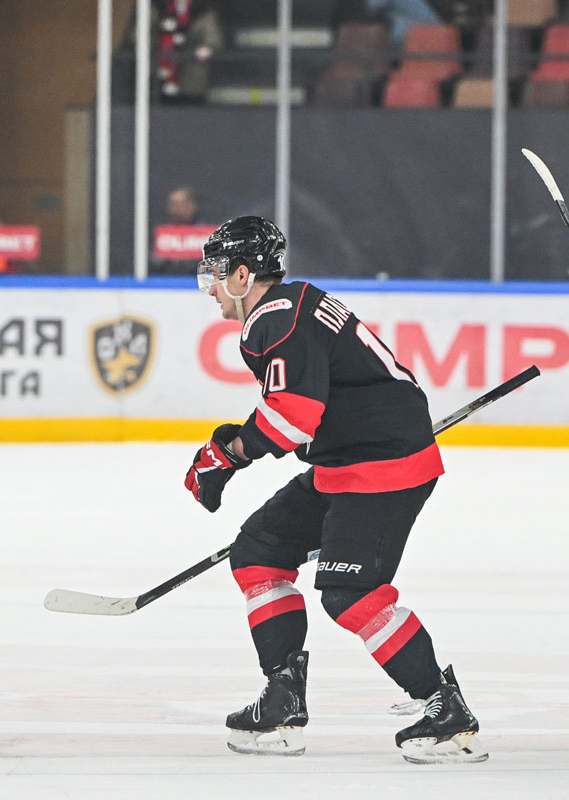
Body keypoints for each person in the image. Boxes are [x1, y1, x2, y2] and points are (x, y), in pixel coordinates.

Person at [185, 215, 486, 763]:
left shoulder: (274, 319)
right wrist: (235, 447)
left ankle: (445, 711)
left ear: (243, 275)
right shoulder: (291, 305)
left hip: (382, 468)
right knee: (259, 552)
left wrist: (227, 454)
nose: (210, 288)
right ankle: (282, 698)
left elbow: (292, 417)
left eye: (216, 273)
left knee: (352, 592)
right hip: (348, 464)